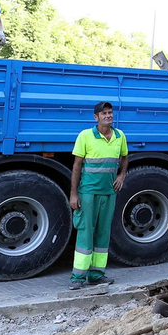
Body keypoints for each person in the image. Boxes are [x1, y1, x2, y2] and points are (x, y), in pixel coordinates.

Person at [69, 102, 128, 290]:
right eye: (104, 113)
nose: (108, 116)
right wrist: (73, 194)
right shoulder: (85, 136)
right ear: (96, 117)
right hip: (88, 193)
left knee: (103, 234)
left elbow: (125, 157)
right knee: (86, 232)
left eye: (110, 113)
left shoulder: (120, 136)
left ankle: (96, 275)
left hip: (109, 193)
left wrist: (122, 175)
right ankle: (78, 277)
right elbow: (77, 166)